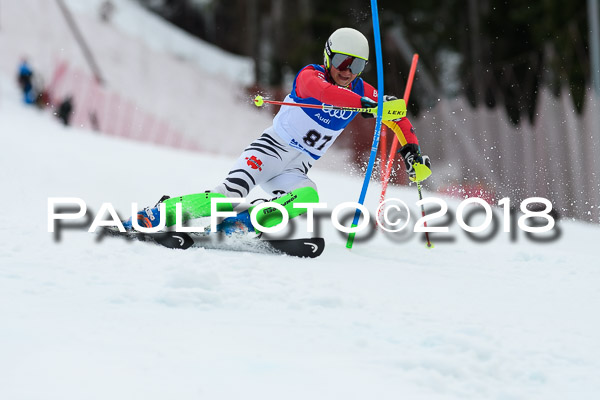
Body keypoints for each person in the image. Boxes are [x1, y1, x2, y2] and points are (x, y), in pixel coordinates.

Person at [123, 27, 431, 234]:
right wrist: (370, 106)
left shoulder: (362, 91)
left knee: (308, 197)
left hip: (295, 169)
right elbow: (327, 95)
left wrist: (412, 152)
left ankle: (244, 225)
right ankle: (158, 214)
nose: (347, 71)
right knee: (228, 195)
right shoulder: (310, 77)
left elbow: (399, 119)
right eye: (341, 61)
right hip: (268, 152)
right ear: (328, 56)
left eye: (357, 66)